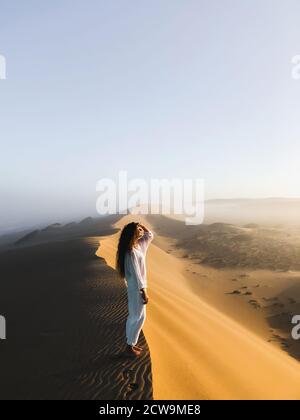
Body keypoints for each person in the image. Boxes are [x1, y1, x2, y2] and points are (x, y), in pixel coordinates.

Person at [116, 222, 154, 357]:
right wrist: (143, 291)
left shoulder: (138, 247)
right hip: (136, 290)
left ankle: (132, 343)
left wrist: (141, 225)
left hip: (137, 289)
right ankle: (129, 347)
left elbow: (150, 235)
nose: (141, 231)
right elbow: (137, 274)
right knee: (136, 317)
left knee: (140, 317)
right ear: (133, 234)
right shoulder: (131, 252)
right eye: (138, 230)